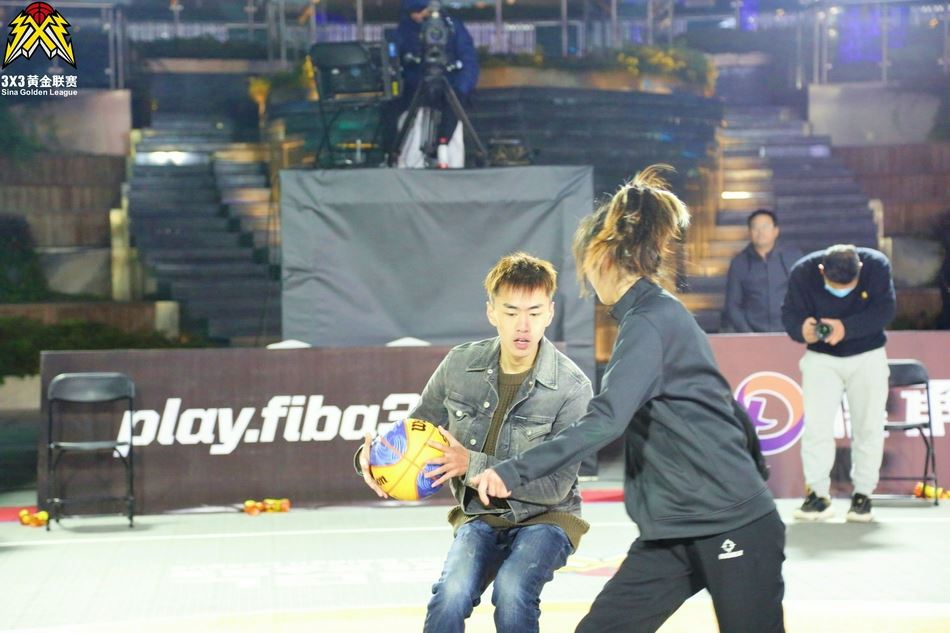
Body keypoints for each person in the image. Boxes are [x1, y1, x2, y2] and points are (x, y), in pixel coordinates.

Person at [473, 166, 785, 633]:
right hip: (674, 533)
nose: (584, 274)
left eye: (584, 261)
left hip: (731, 522)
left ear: (603, 256)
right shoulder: (650, 316)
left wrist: (511, 471)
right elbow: (728, 407)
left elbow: (606, 419)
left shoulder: (650, 321)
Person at [355, 252, 593, 633]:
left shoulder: (572, 387)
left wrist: (473, 464)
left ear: (550, 313)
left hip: (548, 517)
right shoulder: (459, 365)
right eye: (511, 311)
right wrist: (372, 460)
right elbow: (415, 429)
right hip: (479, 514)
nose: (523, 325)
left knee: (513, 590)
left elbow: (556, 485)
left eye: (534, 312)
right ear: (491, 312)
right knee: (451, 592)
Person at [781, 244, 896, 522]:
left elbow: (885, 310)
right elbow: (789, 316)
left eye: (849, 286)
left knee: (868, 427)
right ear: (822, 271)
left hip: (868, 355)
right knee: (816, 428)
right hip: (821, 358)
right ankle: (817, 496)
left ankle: (863, 496)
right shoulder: (803, 272)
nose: (842, 291)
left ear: (860, 269)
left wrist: (846, 328)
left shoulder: (876, 265)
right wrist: (802, 330)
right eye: (835, 286)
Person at [387, 0, 479, 168]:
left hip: (450, 90)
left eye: (422, 10)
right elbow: (396, 64)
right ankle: (411, 170)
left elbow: (469, 62)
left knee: (452, 127)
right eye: (414, 12)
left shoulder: (452, 27)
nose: (419, 16)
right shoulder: (404, 30)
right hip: (416, 93)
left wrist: (460, 90)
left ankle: (448, 162)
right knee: (413, 132)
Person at [722, 209, 802, 332]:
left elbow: (804, 295)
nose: (761, 232)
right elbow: (732, 305)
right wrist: (748, 333)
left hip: (789, 331)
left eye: (765, 227)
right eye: (755, 227)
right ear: (749, 232)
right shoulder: (739, 263)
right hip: (752, 333)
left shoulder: (793, 258)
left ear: (776, 231)